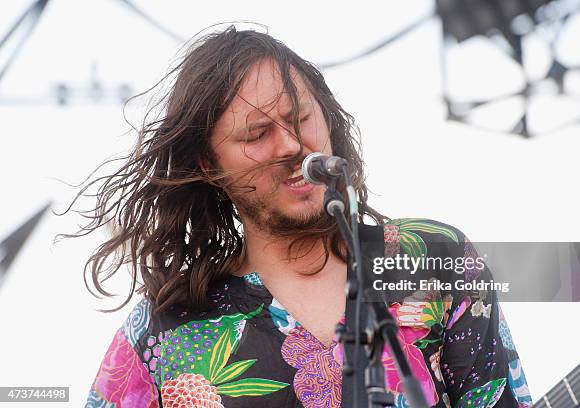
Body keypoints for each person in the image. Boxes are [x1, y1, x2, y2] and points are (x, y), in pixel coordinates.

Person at [80, 26, 531, 407]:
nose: (291, 145)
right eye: (256, 134)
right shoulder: (165, 330)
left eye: (300, 118)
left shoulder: (433, 256)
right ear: (207, 164)